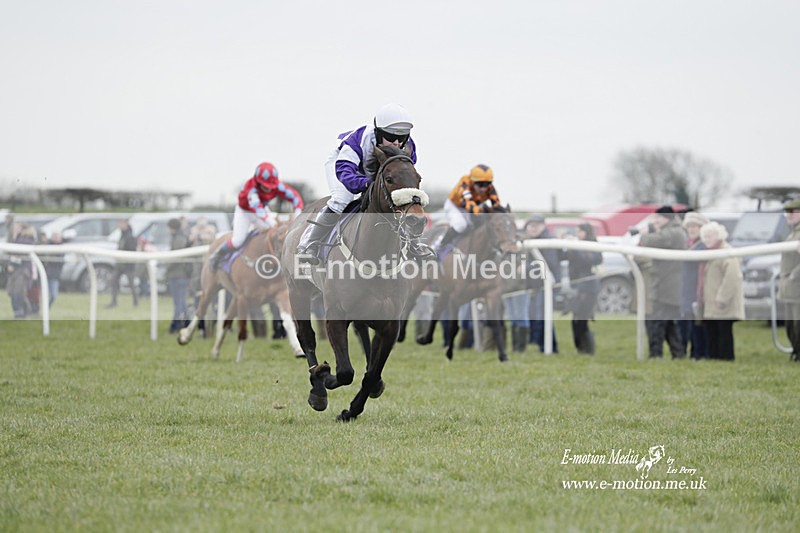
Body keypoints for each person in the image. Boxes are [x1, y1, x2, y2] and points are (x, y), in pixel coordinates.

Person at [297, 103, 428, 264]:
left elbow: (405, 177)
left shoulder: (408, 146)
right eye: (390, 136)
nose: (396, 142)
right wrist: (366, 185)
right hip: (345, 166)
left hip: (381, 173)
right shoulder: (357, 142)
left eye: (401, 137)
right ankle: (310, 244)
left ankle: (414, 244)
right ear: (378, 133)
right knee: (341, 199)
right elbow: (345, 172)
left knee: (401, 202)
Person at [210, 161, 303, 271]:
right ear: (258, 182)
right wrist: (270, 221)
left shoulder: (277, 185)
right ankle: (217, 255)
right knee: (238, 240)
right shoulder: (251, 188)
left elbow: (295, 197)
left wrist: (298, 214)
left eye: (271, 186)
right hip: (245, 211)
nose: (269, 189)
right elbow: (256, 208)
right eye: (265, 186)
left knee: (274, 233)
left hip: (262, 209)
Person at [637, 206, 688, 359]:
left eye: (657, 218)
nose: (655, 221)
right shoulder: (675, 231)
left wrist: (645, 233)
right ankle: (678, 354)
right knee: (669, 324)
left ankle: (656, 354)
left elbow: (651, 241)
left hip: (667, 286)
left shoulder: (673, 232)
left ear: (666, 218)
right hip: (667, 285)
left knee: (658, 322)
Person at [430, 164, 502, 255]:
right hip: (455, 206)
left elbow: (497, 205)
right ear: (472, 181)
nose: (483, 188)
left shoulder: (490, 189)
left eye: (487, 184)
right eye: (480, 184)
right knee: (461, 225)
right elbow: (470, 206)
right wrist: (484, 212)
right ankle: (438, 246)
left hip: (470, 208)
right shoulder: (465, 183)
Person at [698, 221, 744, 361]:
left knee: (724, 333)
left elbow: (733, 277)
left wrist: (722, 298)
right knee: (712, 331)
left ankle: (726, 360)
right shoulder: (710, 253)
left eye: (710, 236)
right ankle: (714, 359)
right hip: (711, 302)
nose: (706, 239)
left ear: (719, 236)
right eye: (704, 236)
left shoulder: (727, 252)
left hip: (723, 302)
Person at [522, 214, 560, 353]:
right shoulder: (530, 240)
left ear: (543, 226)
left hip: (546, 285)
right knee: (537, 316)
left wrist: (526, 268)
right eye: (530, 226)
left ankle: (548, 347)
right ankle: (544, 345)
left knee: (542, 317)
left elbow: (549, 263)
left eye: (536, 226)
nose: (532, 229)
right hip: (536, 285)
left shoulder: (548, 241)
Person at [563, 223, 603, 354]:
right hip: (577, 286)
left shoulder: (593, 245)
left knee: (582, 319)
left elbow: (590, 260)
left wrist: (576, 247)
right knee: (576, 319)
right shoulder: (577, 246)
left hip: (589, 287)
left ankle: (587, 349)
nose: (578, 234)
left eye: (580, 231)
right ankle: (581, 348)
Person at [679, 211, 710, 359]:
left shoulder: (702, 246)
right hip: (686, 291)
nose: (692, 229)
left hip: (697, 291)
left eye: (695, 226)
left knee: (697, 326)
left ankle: (699, 354)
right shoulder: (688, 244)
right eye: (690, 226)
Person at [778, 198, 800, 361]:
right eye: (787, 212)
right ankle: (795, 351)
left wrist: (794, 275)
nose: (789, 215)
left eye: (792, 212)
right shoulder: (793, 232)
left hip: (796, 285)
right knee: (790, 325)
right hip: (789, 287)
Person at [166, 218, 192, 333]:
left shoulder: (179, 239)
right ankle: (188, 324)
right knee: (181, 303)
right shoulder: (179, 238)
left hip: (179, 275)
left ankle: (175, 326)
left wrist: (167, 268)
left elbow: (176, 258)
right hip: (178, 275)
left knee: (179, 303)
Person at [107, 218, 139, 308]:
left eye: (120, 223)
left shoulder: (130, 236)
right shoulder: (122, 235)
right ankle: (113, 302)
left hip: (128, 265)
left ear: (125, 224)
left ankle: (136, 302)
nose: (119, 225)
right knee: (114, 281)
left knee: (131, 284)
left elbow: (132, 250)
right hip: (120, 264)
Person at [42, 231, 64, 308]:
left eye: (57, 237)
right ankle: (44, 310)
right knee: (45, 294)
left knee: (54, 295)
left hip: (55, 275)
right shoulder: (47, 246)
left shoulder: (62, 248)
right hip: (46, 273)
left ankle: (47, 308)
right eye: (54, 237)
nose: (56, 239)